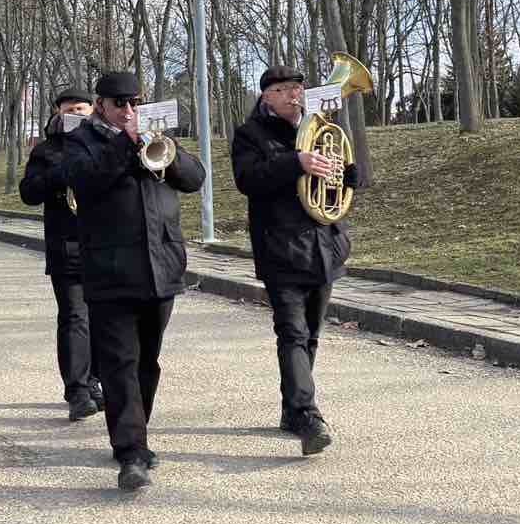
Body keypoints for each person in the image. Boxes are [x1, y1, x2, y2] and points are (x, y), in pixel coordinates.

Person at [58, 71, 205, 493]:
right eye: (119, 104)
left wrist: (167, 153)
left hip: (161, 265)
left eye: (134, 103)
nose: (128, 111)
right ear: (101, 105)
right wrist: (125, 144)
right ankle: (131, 451)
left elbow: (194, 179)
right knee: (120, 362)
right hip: (110, 269)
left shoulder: (155, 135)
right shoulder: (81, 140)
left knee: (147, 361)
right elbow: (84, 179)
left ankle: (136, 432)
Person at [230, 64, 351, 456]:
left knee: (311, 334)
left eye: (297, 87)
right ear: (266, 96)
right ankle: (307, 415)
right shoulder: (251, 134)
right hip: (279, 248)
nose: (292, 94)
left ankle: (291, 409)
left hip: (324, 246)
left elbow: (352, 178)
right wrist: (296, 162)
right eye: (282, 89)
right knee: (293, 333)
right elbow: (248, 179)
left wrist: (344, 174)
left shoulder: (325, 128)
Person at [19, 86, 104, 421]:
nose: (76, 115)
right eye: (69, 110)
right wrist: (60, 172)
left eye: (82, 109)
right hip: (66, 244)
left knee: (104, 318)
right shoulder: (46, 150)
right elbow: (28, 193)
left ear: (93, 111)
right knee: (74, 317)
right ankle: (77, 390)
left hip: (106, 243)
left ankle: (95, 381)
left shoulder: (104, 143)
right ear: (57, 113)